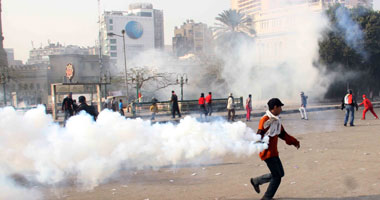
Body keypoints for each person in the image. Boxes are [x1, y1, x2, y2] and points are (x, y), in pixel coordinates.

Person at [250, 98, 300, 200]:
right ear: (275, 107)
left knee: (280, 173)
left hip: (274, 153)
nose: (281, 109)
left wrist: (294, 142)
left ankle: (256, 181)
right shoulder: (265, 119)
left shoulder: (276, 120)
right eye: (280, 107)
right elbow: (259, 134)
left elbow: (282, 134)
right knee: (277, 177)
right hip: (267, 153)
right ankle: (267, 198)